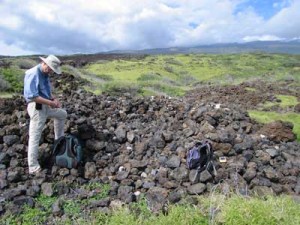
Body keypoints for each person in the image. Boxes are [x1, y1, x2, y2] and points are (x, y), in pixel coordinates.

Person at [23, 55, 67, 174]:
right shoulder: (33, 74)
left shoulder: (45, 74)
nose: (51, 72)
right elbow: (32, 96)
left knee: (62, 114)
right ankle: (33, 166)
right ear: (44, 64)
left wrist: (54, 99)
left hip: (46, 106)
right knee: (35, 136)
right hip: (37, 108)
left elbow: (46, 92)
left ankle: (59, 141)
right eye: (51, 69)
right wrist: (50, 103)